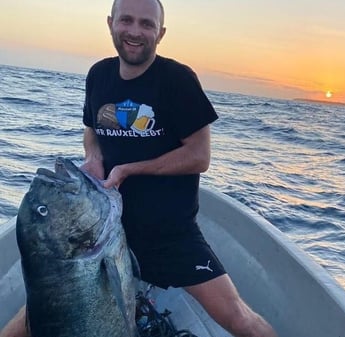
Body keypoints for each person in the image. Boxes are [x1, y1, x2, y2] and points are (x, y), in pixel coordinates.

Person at [0, 0, 277, 336]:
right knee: (27, 322)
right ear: (110, 23)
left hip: (170, 234)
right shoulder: (99, 75)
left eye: (146, 24)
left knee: (238, 317)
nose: (135, 31)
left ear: (160, 33)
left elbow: (199, 156)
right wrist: (95, 158)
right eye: (126, 20)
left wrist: (130, 169)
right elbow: (92, 129)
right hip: (101, 230)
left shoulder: (178, 80)